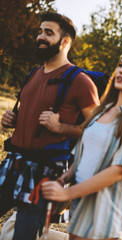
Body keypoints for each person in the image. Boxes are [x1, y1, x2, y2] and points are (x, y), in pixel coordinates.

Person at [41, 47, 122, 240]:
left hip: (109, 209)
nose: (121, 70)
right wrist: (63, 179)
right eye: (120, 65)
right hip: (81, 203)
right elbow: (83, 154)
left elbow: (119, 170)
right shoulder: (101, 112)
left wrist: (67, 193)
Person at [0, 11, 99, 240]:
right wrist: (12, 120)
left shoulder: (80, 81)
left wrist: (61, 128)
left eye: (48, 33)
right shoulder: (34, 73)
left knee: (23, 236)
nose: (40, 37)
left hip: (44, 174)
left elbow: (100, 130)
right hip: (13, 163)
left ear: (65, 41)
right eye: (39, 31)